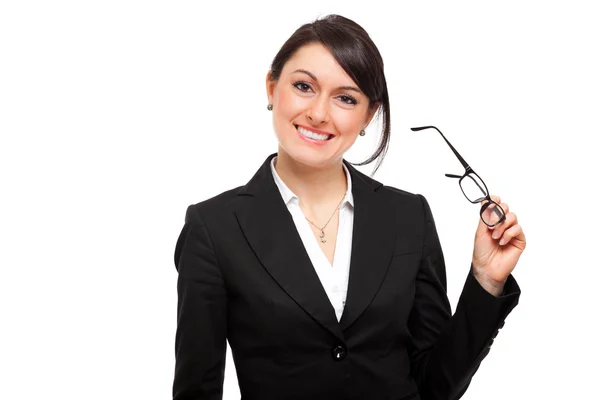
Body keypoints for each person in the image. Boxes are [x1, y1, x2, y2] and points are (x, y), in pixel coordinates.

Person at [172, 14, 526, 400]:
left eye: (345, 98)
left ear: (368, 115)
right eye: (304, 86)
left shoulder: (408, 217)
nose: (319, 113)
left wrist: (486, 282)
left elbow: (436, 386)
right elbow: (197, 390)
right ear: (272, 88)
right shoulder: (214, 228)